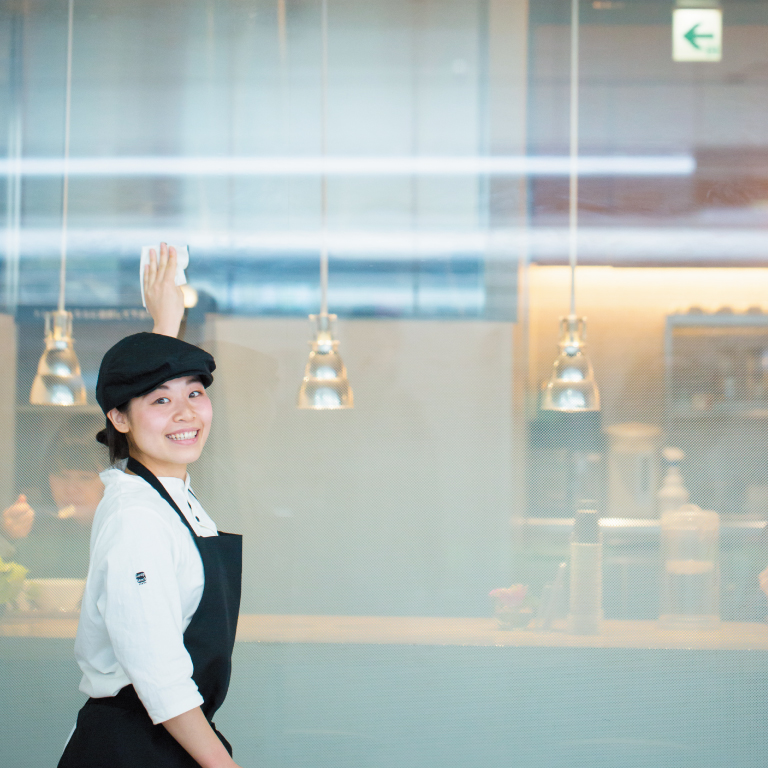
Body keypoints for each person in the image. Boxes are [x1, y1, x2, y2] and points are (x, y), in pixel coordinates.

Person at [58, 244, 244, 768]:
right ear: (119, 419)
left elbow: (153, 380)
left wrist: (166, 316)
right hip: (133, 747)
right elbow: (159, 676)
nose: (186, 413)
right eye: (161, 401)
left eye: (194, 394)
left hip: (165, 740)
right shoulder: (137, 519)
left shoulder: (167, 493)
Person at [2, 414, 107, 578]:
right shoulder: (34, 527)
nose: (70, 489)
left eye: (85, 477)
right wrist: (7, 537)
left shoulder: (130, 530)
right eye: (62, 475)